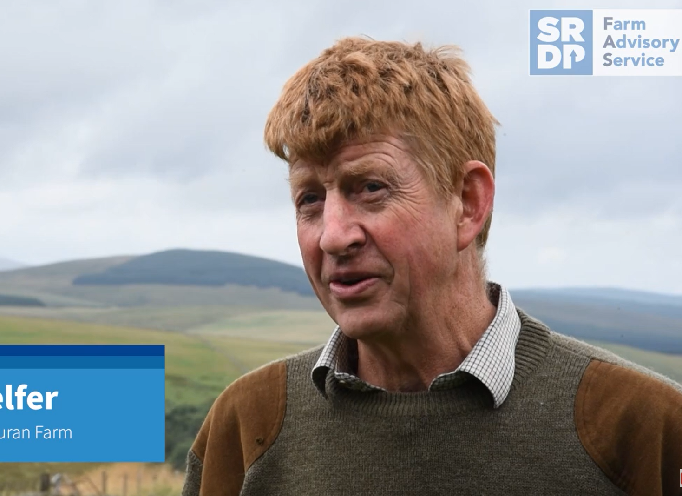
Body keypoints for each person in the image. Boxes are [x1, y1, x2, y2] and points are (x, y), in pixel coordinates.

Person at [181, 37, 682, 495]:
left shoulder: (642, 427)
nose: (333, 235)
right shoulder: (248, 427)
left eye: (370, 188)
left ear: (468, 202)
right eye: (309, 199)